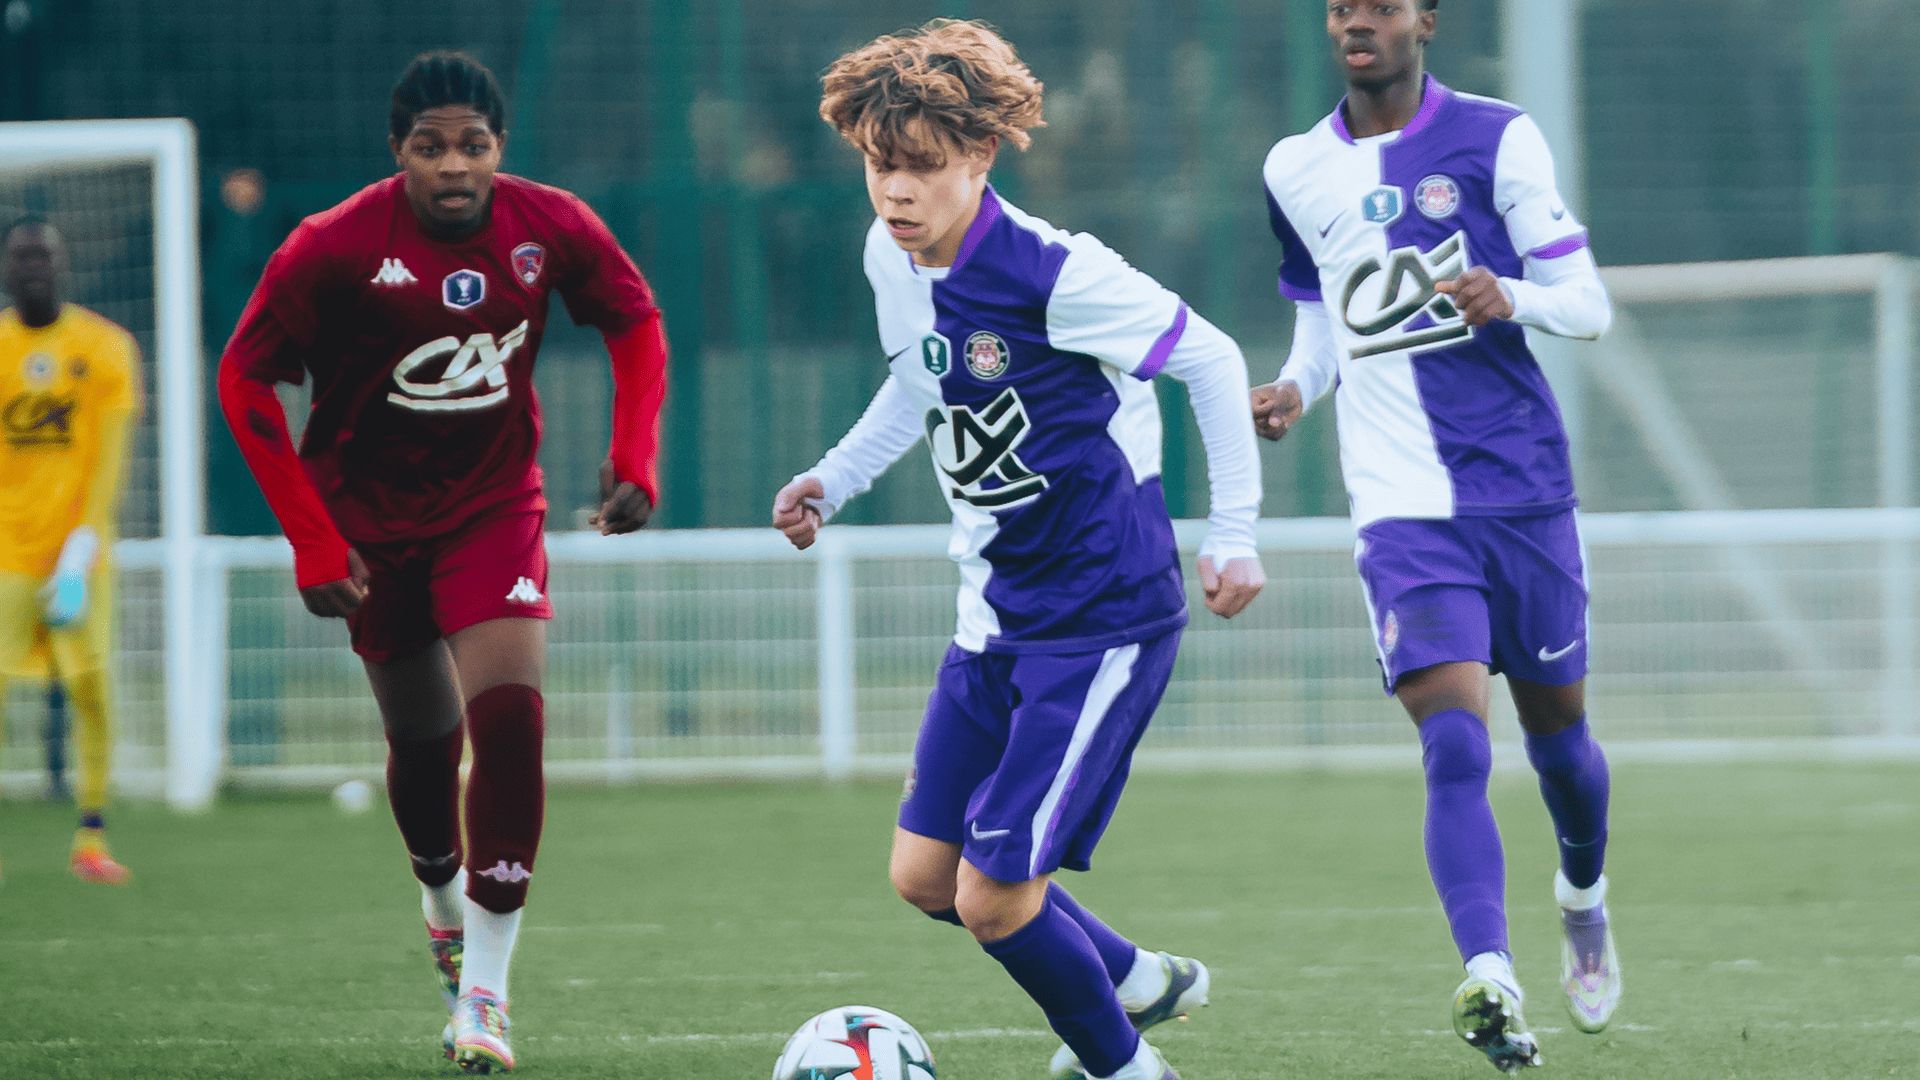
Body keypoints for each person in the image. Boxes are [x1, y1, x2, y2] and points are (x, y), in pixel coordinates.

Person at [773, 20, 1265, 1080]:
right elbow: (919, 386)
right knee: (924, 877)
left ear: (980, 158)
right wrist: (834, 479)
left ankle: (1127, 1067)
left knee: (993, 902)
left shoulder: (1056, 274)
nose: (896, 193)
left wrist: (1232, 537)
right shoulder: (889, 256)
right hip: (993, 617)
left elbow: (1216, 363)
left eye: (923, 168)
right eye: (879, 166)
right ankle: (1130, 975)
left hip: (1100, 620)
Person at [218, 51, 667, 1074]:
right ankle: (438, 896)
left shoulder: (551, 226)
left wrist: (635, 451)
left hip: (494, 510)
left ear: (500, 149)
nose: (454, 167)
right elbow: (246, 379)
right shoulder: (330, 248)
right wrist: (313, 539)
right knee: (425, 745)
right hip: (369, 531)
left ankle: (488, 997)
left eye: (473, 146)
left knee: (508, 719)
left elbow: (634, 319)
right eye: (431, 148)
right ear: (398, 154)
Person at [1251, 1, 1620, 1072]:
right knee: (1454, 738)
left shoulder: (1499, 136)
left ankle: (1584, 895)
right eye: (1339, 8)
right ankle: (1490, 973)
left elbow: (1588, 305)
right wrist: (1296, 387)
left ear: (1426, 20)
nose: (1356, 22)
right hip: (1401, 505)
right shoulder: (1292, 167)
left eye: (1379, 5)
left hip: (1521, 490)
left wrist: (1517, 296)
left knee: (1565, 754)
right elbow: (1321, 315)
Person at [0, 215, 140, 886]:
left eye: (43, 256)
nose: (32, 267)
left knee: (90, 686)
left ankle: (91, 836)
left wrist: (83, 546)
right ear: (5, 268)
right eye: (20, 257)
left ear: (63, 265)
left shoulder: (107, 347)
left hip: (80, 552)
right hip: (5, 550)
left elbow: (109, 462)